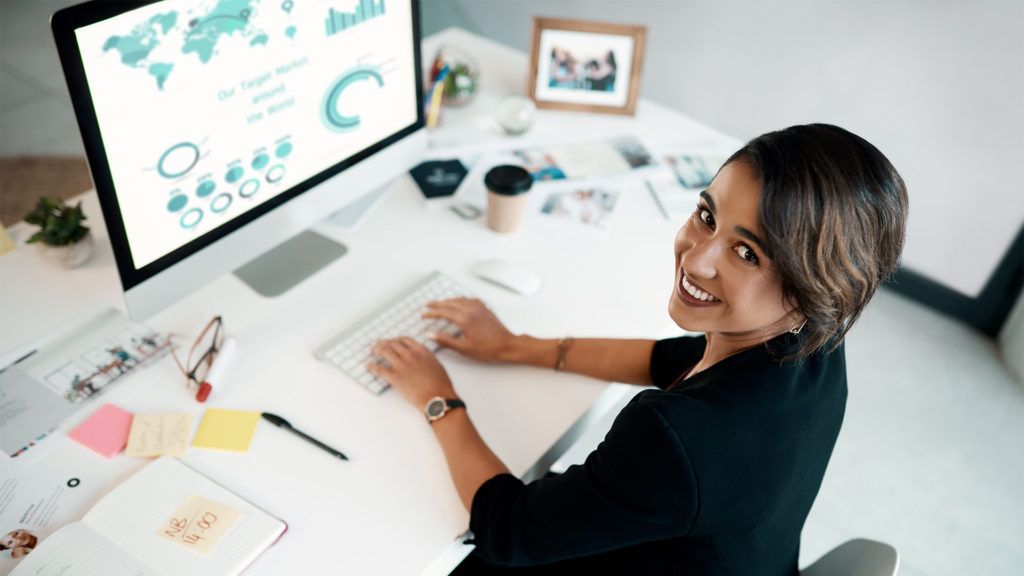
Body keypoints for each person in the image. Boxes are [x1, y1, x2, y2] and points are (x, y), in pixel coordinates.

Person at [365, 124, 909, 575]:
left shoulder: (679, 439)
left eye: (747, 253)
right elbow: (669, 359)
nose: (696, 259)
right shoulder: (815, 341)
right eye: (707, 215)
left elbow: (509, 531)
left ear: (812, 289)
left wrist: (438, 398)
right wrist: (516, 346)